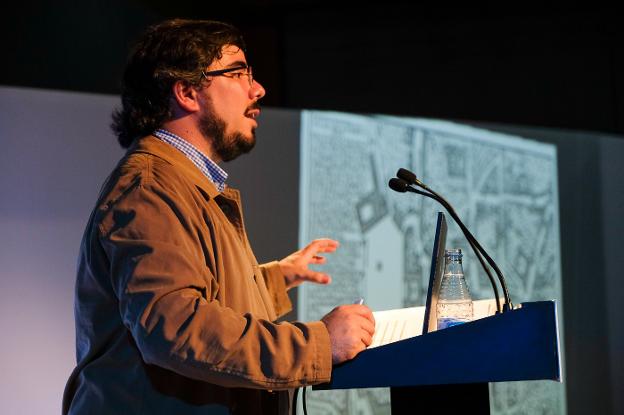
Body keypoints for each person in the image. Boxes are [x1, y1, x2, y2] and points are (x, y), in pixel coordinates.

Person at [62, 18, 375, 415]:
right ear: (188, 92)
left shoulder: (178, 181)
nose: (258, 88)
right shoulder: (150, 188)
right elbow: (176, 327)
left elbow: (197, 291)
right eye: (238, 72)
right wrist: (319, 344)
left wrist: (276, 277)